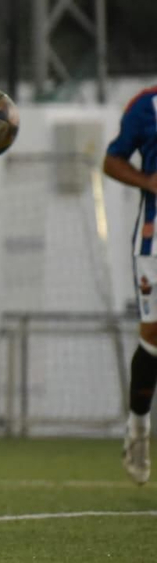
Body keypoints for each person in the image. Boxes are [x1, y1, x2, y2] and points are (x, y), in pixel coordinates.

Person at [104, 84, 157, 485]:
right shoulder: (146, 104)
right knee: (153, 336)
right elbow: (112, 160)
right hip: (155, 237)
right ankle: (138, 427)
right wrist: (149, 182)